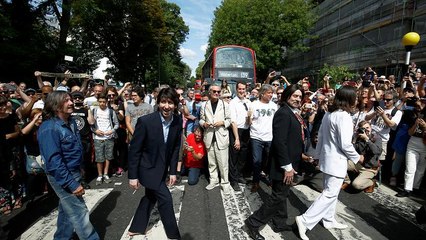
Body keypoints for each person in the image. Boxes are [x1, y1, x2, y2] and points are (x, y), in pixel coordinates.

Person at [295, 86, 364, 240]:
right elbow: (346, 144)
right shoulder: (344, 116)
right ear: (349, 99)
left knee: (331, 192)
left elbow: (320, 137)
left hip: (327, 158)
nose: (357, 100)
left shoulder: (329, 114)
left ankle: (328, 219)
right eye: (355, 97)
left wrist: (318, 156)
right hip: (336, 161)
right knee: (330, 193)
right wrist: (357, 157)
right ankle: (305, 220)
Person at [245, 84, 304, 240]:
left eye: (299, 96)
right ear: (286, 96)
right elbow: (279, 142)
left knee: (282, 194)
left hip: (289, 163)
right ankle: (253, 222)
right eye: (294, 96)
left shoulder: (292, 112)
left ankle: (279, 222)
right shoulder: (284, 113)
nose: (297, 99)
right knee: (278, 196)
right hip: (282, 165)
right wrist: (288, 167)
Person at [37, 91, 99, 240]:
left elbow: (76, 147)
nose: (71, 103)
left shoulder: (70, 121)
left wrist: (80, 168)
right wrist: (71, 184)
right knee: (79, 211)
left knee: (66, 210)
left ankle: (61, 237)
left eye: (70, 100)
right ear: (55, 106)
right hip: (63, 175)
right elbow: (53, 162)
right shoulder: (49, 128)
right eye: (66, 101)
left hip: (74, 171)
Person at [127, 87, 182, 239]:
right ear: (158, 103)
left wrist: (172, 171)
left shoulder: (177, 121)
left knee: (150, 197)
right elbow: (135, 151)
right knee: (165, 199)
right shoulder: (145, 122)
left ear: (175, 105)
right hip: (147, 169)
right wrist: (133, 176)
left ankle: (136, 227)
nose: (166, 106)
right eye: (163, 102)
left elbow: (175, 147)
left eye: (170, 103)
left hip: (162, 168)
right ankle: (174, 235)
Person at [199, 83, 232, 194]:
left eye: (219, 92)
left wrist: (222, 122)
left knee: (223, 163)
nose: (217, 93)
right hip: (209, 136)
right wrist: (204, 124)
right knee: (211, 163)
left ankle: (225, 183)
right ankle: (214, 180)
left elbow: (229, 120)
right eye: (215, 91)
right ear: (210, 92)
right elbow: (201, 119)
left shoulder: (225, 105)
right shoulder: (204, 105)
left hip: (221, 136)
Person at [248, 84, 277, 192]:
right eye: (269, 93)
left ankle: (270, 179)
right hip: (256, 137)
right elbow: (249, 121)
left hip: (270, 137)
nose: (271, 95)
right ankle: (256, 182)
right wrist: (248, 118)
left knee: (269, 161)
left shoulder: (274, 106)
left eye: (272, 93)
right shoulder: (254, 104)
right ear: (262, 93)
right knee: (257, 161)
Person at [342, 121, 382, 193]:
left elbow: (377, 151)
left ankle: (372, 183)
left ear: (371, 128)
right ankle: (347, 181)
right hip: (358, 164)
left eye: (367, 128)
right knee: (340, 162)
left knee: (356, 185)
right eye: (363, 129)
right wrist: (354, 139)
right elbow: (350, 152)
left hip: (369, 168)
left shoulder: (376, 138)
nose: (366, 130)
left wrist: (367, 139)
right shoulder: (358, 138)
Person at [88, 93, 119, 185]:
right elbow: (91, 124)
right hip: (98, 137)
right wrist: (95, 131)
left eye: (104, 102)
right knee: (99, 158)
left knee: (108, 157)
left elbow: (116, 124)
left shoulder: (110, 111)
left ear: (106, 102)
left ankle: (106, 174)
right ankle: (99, 175)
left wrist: (112, 131)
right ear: (98, 102)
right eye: (100, 102)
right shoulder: (94, 111)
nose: (102, 103)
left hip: (109, 137)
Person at [229, 81, 252, 191]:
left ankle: (239, 176)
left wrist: (249, 118)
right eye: (240, 89)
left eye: (243, 89)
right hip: (236, 131)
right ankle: (233, 180)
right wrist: (237, 138)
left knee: (243, 156)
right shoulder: (233, 103)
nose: (242, 91)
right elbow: (233, 122)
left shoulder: (248, 102)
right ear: (236, 90)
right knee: (234, 156)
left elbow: (249, 119)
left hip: (246, 131)